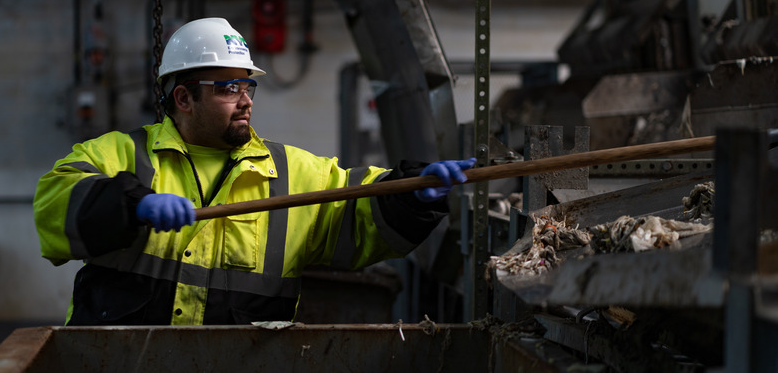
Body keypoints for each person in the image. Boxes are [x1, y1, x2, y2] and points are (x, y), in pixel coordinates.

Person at [33, 17, 475, 326]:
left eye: (248, 85)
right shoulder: (122, 155)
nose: (246, 100)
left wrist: (414, 195)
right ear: (184, 99)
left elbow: (357, 208)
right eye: (228, 88)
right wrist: (131, 203)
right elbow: (55, 201)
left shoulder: (290, 172)